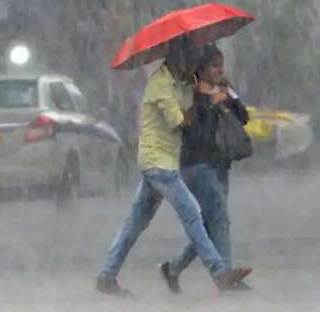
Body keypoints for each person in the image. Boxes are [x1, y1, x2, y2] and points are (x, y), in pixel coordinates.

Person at [95, 38, 251, 297]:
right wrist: (205, 97)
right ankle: (219, 273)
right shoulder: (160, 85)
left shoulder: (180, 83)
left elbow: (233, 112)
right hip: (158, 164)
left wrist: (218, 91)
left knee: (133, 226)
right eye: (190, 59)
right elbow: (181, 123)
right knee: (192, 214)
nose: (193, 64)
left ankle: (106, 276)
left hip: (165, 161)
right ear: (178, 58)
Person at [159, 44, 252, 294]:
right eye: (214, 66)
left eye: (221, 65)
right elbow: (191, 129)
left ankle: (174, 268)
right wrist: (208, 102)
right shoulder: (190, 93)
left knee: (210, 226)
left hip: (221, 162)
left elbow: (243, 117)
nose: (219, 70)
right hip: (197, 164)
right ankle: (226, 276)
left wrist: (228, 97)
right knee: (220, 219)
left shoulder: (224, 89)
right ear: (201, 68)